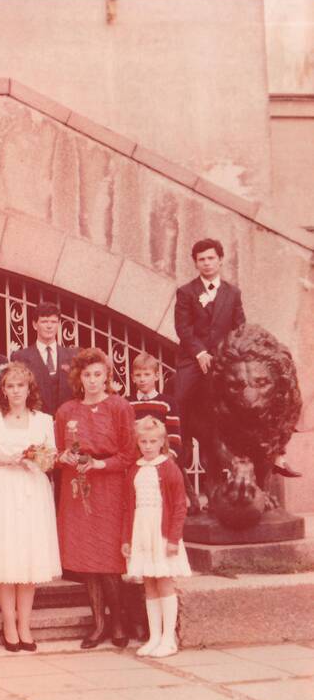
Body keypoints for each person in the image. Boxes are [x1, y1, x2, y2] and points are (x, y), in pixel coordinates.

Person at [0, 362, 60, 652]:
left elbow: (52, 460)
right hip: (1, 492)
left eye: (20, 386)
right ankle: (8, 623)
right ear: (3, 390)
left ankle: (25, 623)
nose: (15, 391)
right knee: (6, 555)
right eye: (10, 386)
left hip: (32, 491)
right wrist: (6, 460)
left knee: (28, 555)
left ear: (29, 388)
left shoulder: (43, 420)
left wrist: (36, 459)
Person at [55, 348, 137, 649]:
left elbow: (129, 453)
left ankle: (117, 621)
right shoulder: (66, 411)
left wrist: (101, 464)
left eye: (98, 374)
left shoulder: (119, 406)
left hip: (109, 486)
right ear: (79, 378)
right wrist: (64, 458)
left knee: (108, 557)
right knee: (87, 558)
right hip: (77, 488)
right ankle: (97, 624)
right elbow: (58, 452)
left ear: (107, 376)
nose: (92, 381)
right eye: (87, 375)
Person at [173, 238, 248, 486]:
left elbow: (239, 327)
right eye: (201, 259)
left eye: (211, 258)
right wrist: (201, 353)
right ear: (195, 263)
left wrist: (225, 354)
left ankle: (254, 452)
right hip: (194, 359)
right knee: (181, 398)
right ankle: (179, 445)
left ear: (220, 260)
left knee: (248, 398)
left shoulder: (233, 292)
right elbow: (183, 329)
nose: (206, 263)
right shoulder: (186, 292)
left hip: (223, 358)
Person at [122, 416, 191, 658]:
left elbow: (180, 506)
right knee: (149, 584)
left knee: (164, 582)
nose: (148, 446)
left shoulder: (169, 467)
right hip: (142, 532)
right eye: (143, 441)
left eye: (153, 441)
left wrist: (173, 539)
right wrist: (126, 539)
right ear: (138, 442)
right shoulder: (136, 469)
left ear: (162, 442)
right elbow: (128, 507)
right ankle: (154, 637)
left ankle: (168, 638)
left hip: (162, 534)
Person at [9, 302, 78, 416]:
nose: (49, 326)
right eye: (44, 321)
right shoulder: (20, 357)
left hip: (68, 422)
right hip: (35, 421)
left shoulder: (72, 356)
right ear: (35, 325)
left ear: (58, 325)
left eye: (53, 322)